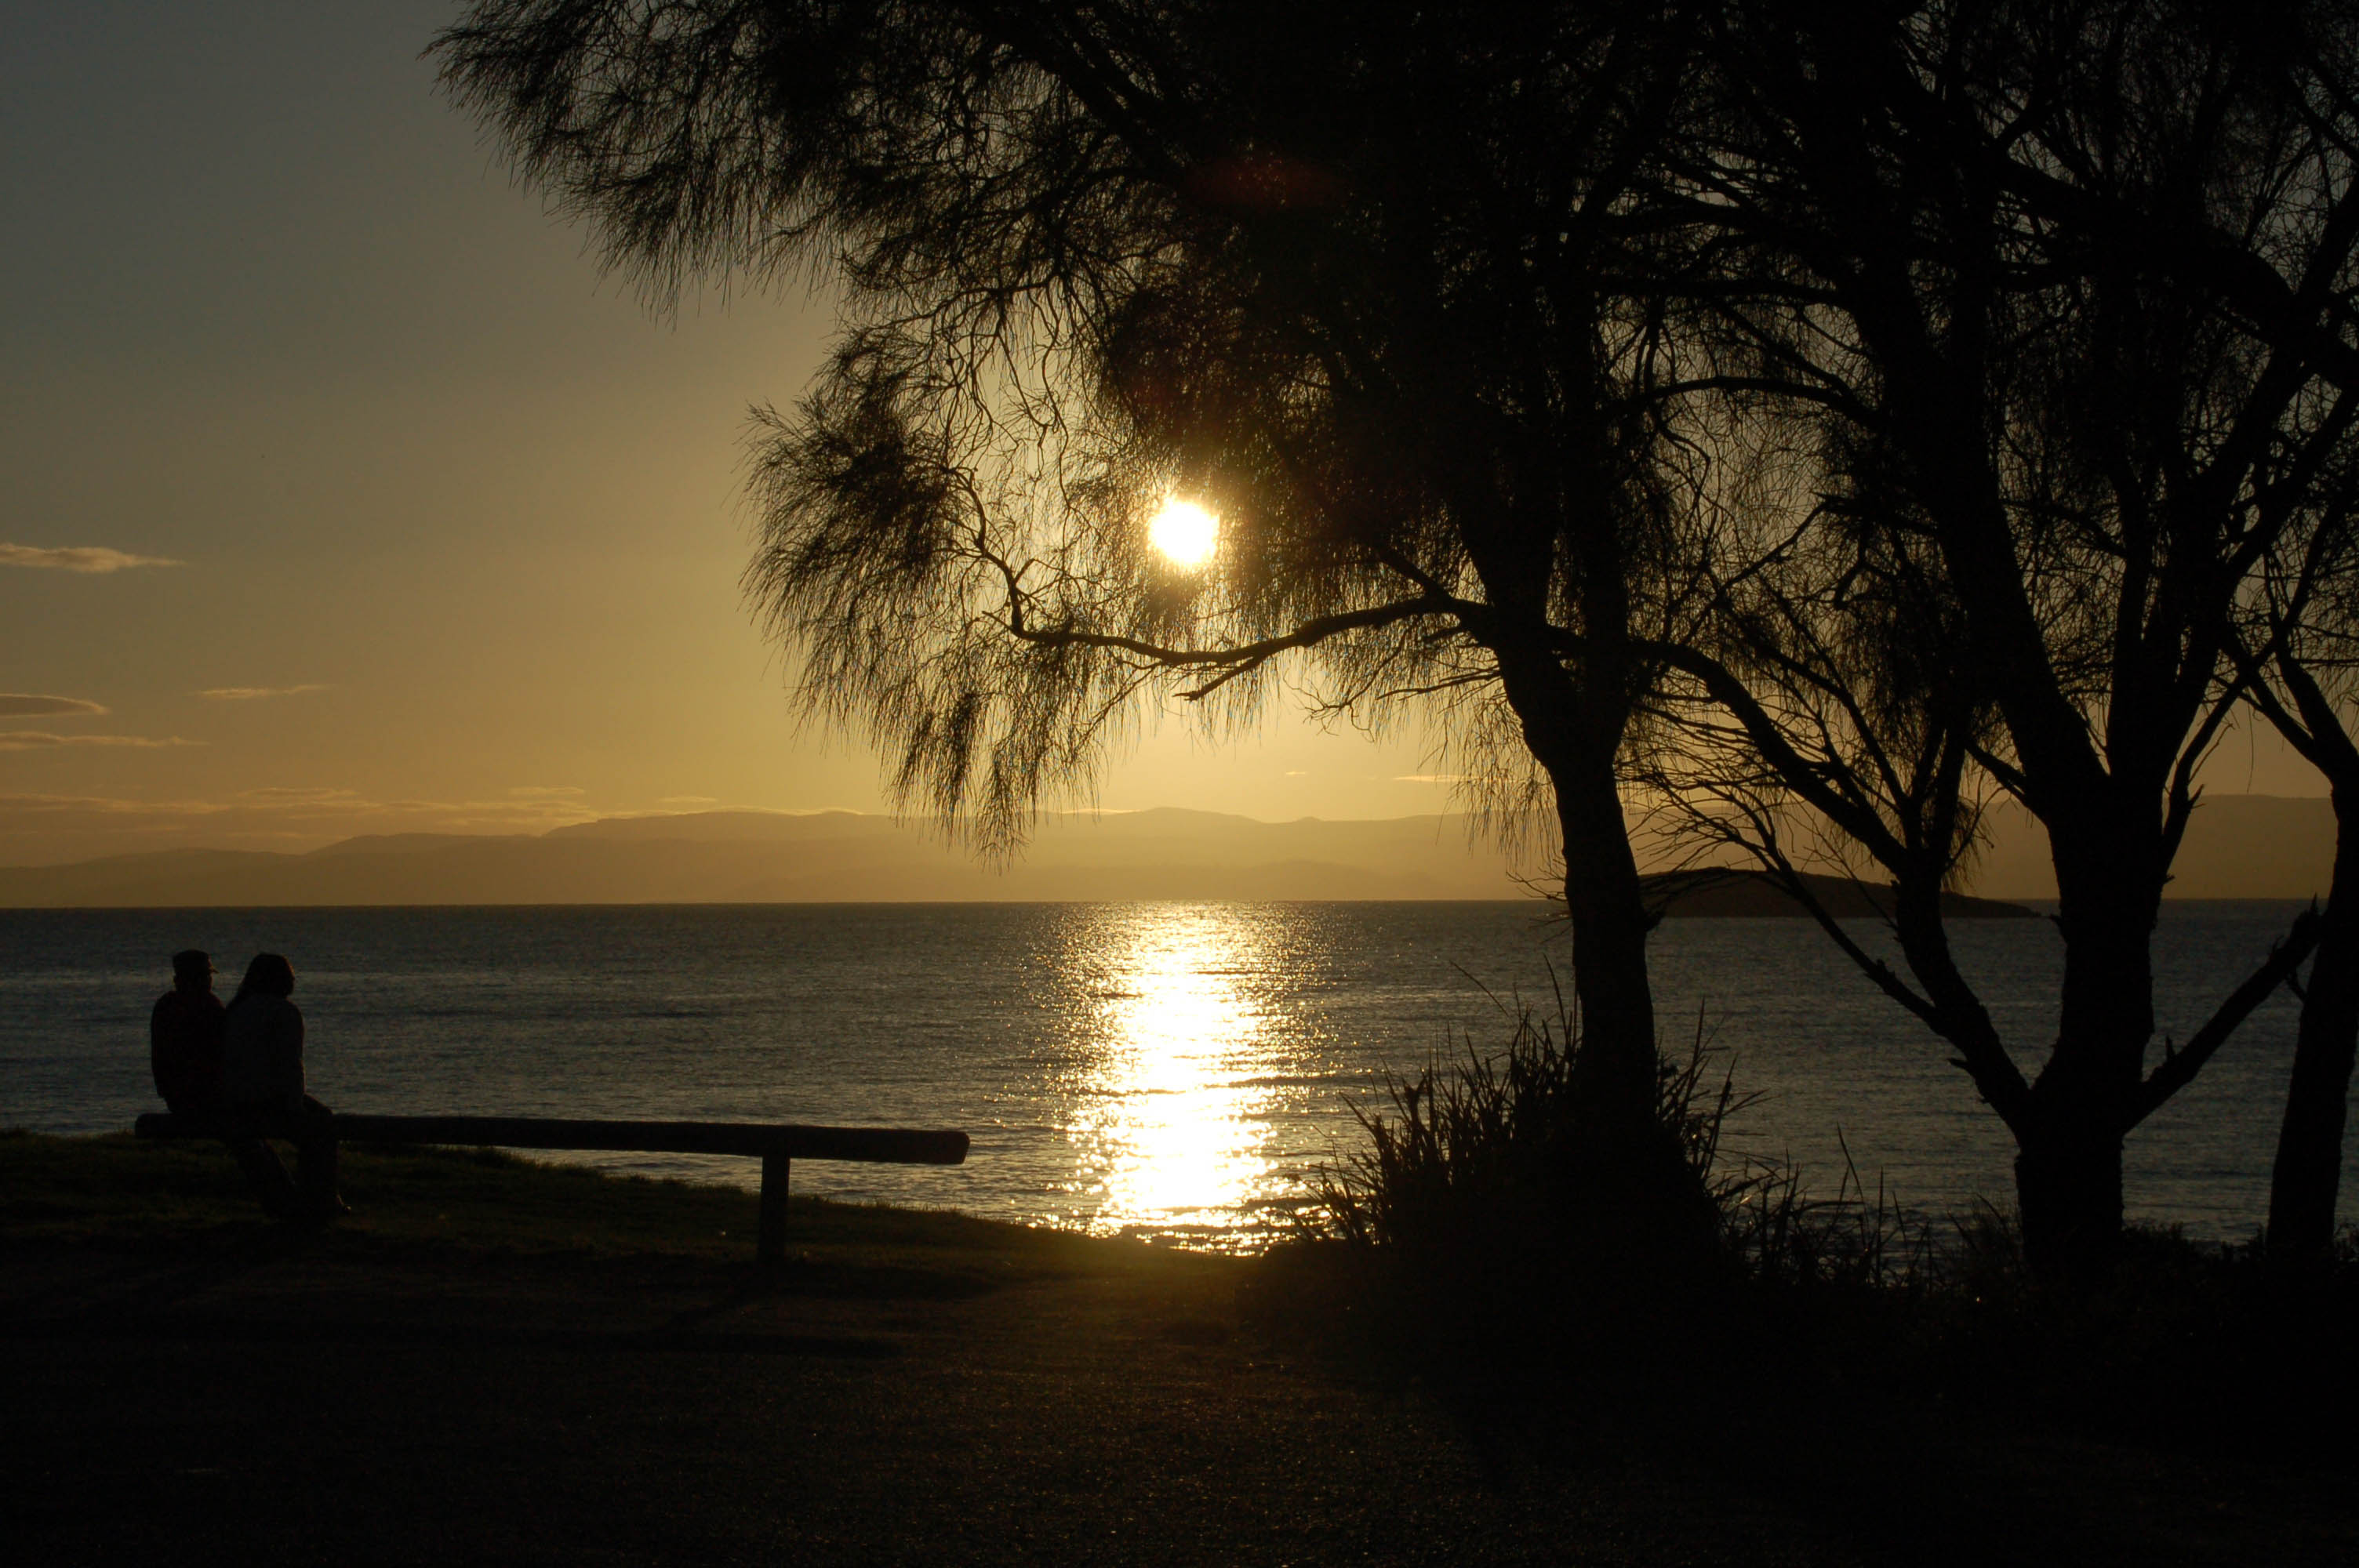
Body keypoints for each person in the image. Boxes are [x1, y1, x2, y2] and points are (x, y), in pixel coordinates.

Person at [221, 953, 347, 1219]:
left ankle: (309, 1200)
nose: (293, 981)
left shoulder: (237, 1009)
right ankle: (322, 1200)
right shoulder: (284, 1012)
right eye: (290, 975)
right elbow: (290, 1065)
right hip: (266, 1098)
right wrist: (294, 1107)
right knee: (323, 1125)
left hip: (236, 1098)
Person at [150, 949, 225, 1113]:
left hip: (175, 1095)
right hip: (207, 1094)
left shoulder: (165, 1006)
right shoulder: (210, 1006)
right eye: (206, 976)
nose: (209, 981)